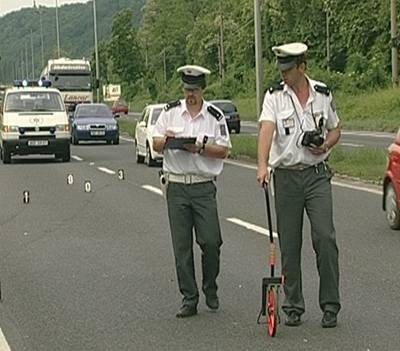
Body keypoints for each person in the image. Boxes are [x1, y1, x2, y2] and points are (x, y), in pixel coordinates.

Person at [257, 43, 341, 328]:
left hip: (317, 174)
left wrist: (326, 144)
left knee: (325, 238)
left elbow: (336, 128)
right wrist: (262, 166)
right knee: (290, 244)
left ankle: (330, 305)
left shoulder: (322, 93)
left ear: (302, 68)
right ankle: (293, 305)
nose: (284, 76)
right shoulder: (274, 97)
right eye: (281, 70)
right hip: (288, 176)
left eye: (289, 70)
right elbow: (266, 131)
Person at [152, 65, 231, 318]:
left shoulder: (214, 116)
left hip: (202, 185)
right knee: (182, 247)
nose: (190, 95)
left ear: (203, 89)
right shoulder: (170, 112)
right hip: (176, 185)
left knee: (211, 241)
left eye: (194, 90)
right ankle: (189, 297)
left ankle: (210, 286)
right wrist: (168, 140)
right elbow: (155, 142)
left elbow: (224, 150)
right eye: (187, 90)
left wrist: (201, 146)